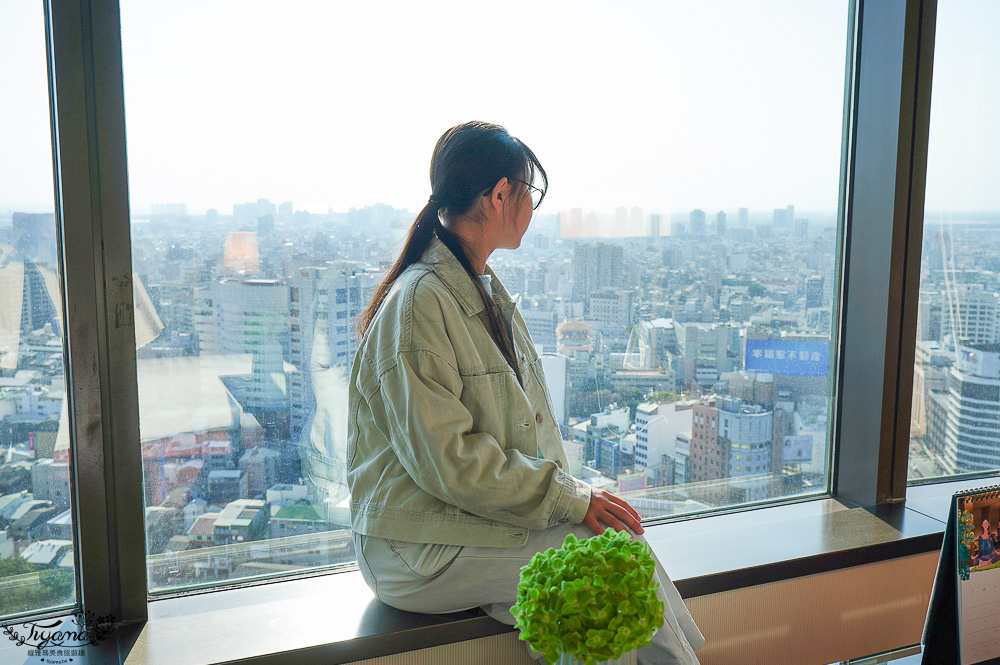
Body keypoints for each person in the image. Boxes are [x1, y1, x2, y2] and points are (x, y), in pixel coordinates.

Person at [346, 120, 704, 664]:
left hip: (458, 519)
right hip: (412, 543)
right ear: (498, 197)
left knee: (611, 556)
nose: (532, 209)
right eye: (529, 193)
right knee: (595, 565)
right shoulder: (420, 303)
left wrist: (574, 502)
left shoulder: (479, 289)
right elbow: (452, 463)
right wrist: (569, 500)